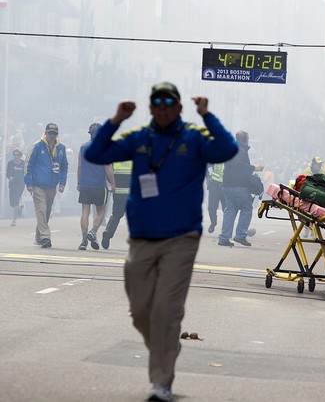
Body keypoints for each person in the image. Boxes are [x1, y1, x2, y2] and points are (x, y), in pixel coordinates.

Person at [84, 81, 238, 402]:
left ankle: (161, 383)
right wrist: (116, 120)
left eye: (170, 102)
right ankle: (168, 344)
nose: (163, 107)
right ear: (151, 107)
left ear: (179, 108)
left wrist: (207, 115)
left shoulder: (195, 138)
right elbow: (96, 153)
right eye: (157, 102)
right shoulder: (138, 139)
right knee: (140, 311)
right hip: (142, 238)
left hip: (182, 237)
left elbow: (227, 150)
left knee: (166, 311)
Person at [24, 123, 69, 248]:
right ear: (45, 133)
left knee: (47, 211)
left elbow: (65, 166)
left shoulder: (61, 148)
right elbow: (28, 165)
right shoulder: (37, 146)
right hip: (38, 185)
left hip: (52, 186)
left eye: (54, 134)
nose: (52, 136)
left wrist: (62, 183)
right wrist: (29, 183)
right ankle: (45, 237)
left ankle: (39, 237)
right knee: (41, 210)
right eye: (50, 133)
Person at [218, 130, 263, 247]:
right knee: (246, 209)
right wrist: (255, 168)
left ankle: (224, 237)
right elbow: (240, 166)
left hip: (227, 186)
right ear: (244, 140)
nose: (248, 140)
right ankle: (240, 235)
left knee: (230, 210)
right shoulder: (241, 151)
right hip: (239, 187)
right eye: (247, 138)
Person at [77, 123, 115, 250]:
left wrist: (78, 183)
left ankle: (83, 240)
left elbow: (80, 167)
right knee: (101, 211)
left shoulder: (83, 147)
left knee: (85, 212)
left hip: (85, 184)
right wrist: (113, 183)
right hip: (99, 185)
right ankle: (93, 232)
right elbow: (108, 166)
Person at [101, 160, 132, 249]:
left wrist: (113, 183)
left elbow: (108, 171)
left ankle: (108, 232)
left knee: (116, 214)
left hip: (118, 191)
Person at [6, 148, 26, 226]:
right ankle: (19, 208)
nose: (16, 156)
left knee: (16, 200)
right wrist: (9, 177)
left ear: (20, 156)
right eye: (15, 155)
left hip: (20, 184)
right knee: (12, 203)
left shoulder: (23, 164)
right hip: (12, 184)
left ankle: (14, 220)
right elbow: (7, 173)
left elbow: (26, 173)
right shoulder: (10, 163)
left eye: (17, 155)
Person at [206, 162, 225, 233]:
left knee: (226, 209)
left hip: (225, 186)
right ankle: (213, 223)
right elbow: (208, 168)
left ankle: (226, 228)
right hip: (214, 185)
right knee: (211, 207)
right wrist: (209, 177)